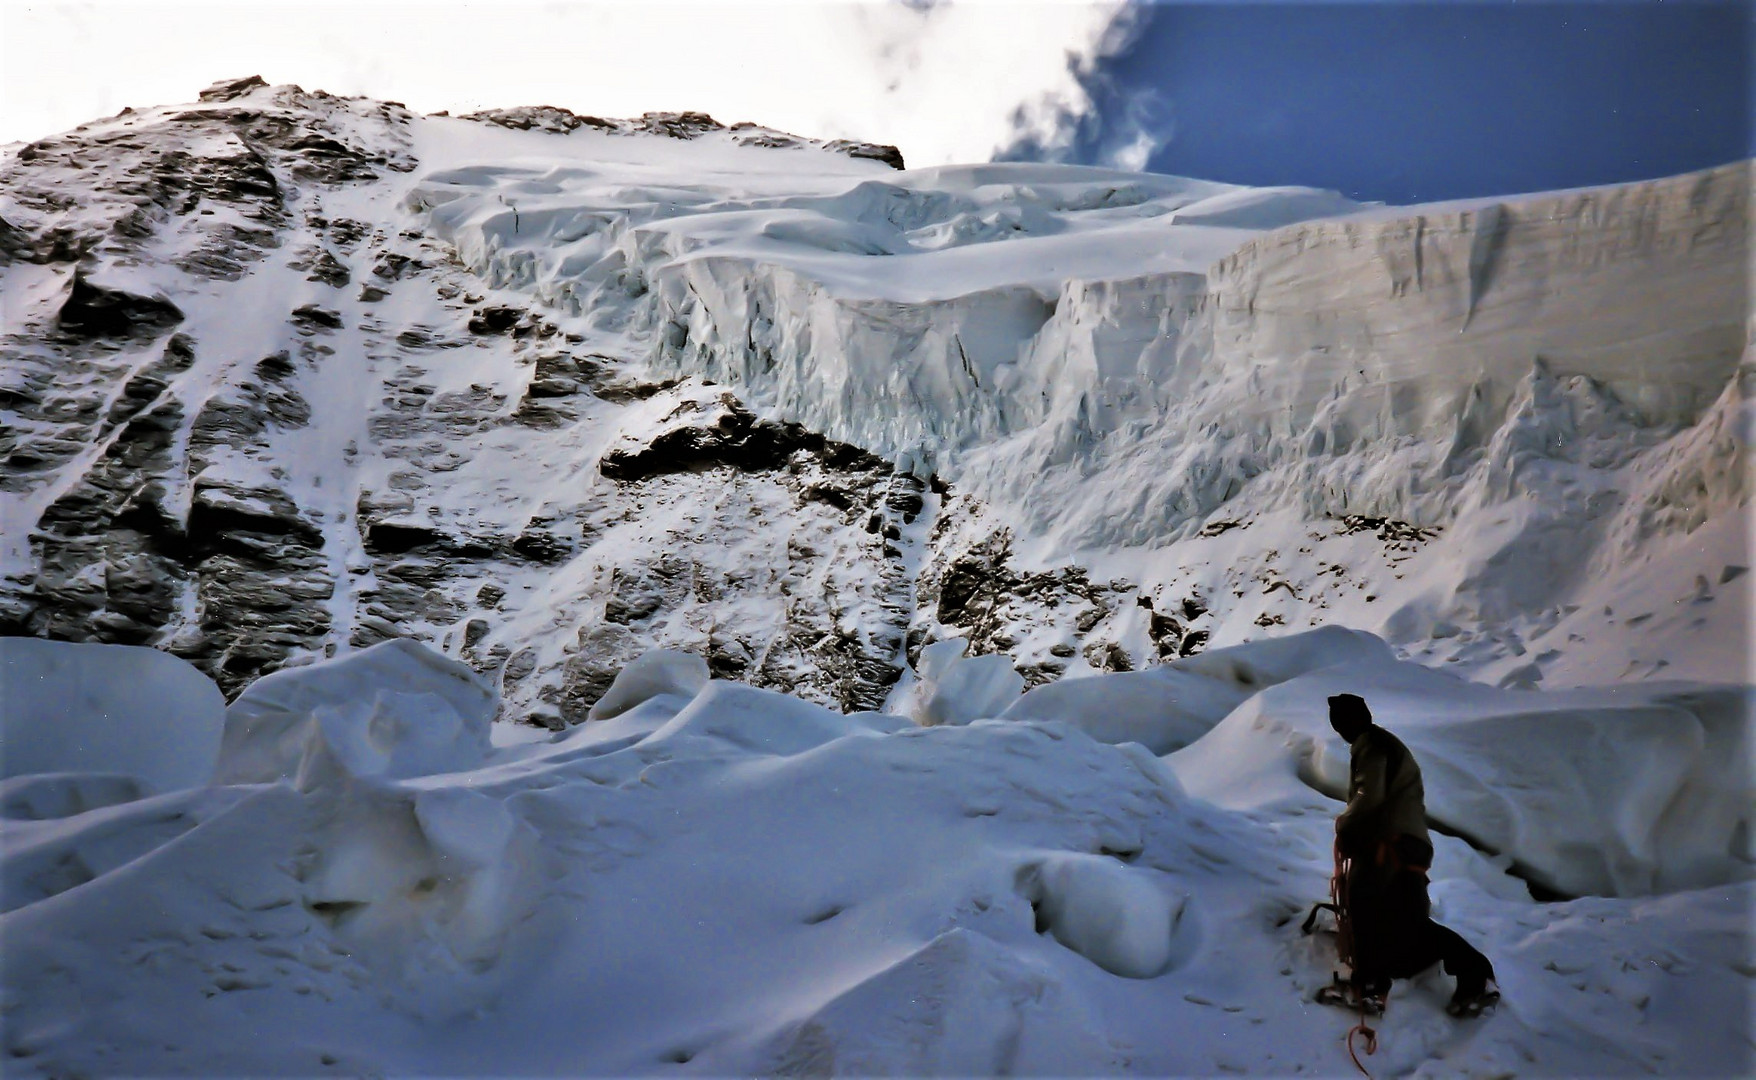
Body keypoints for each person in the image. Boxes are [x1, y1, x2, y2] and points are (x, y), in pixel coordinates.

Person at [1326, 693, 1499, 1018]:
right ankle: (1477, 977)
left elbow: (1368, 794)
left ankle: (1370, 987)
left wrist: (1345, 824)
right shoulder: (1382, 744)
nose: (1339, 730)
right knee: (1406, 920)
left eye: (1341, 722)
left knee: (1362, 900)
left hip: (1388, 844)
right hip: (1407, 844)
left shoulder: (1372, 747)